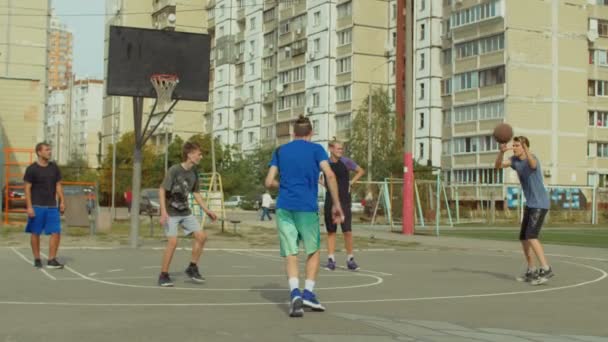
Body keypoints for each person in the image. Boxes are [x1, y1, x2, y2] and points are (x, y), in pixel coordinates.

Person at [265, 115, 344, 318]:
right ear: (310, 133)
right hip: (306, 208)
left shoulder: (281, 150)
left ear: (293, 133)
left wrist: (283, 186)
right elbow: (331, 175)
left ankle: (294, 294)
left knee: (290, 251)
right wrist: (336, 204)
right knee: (313, 250)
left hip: (284, 207)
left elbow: (268, 181)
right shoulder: (317, 150)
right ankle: (308, 292)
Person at [495, 136, 553, 285]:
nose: (513, 147)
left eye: (517, 145)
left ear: (524, 147)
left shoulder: (531, 158)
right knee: (523, 238)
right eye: (513, 145)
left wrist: (526, 149)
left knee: (532, 236)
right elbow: (498, 166)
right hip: (530, 204)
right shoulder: (514, 161)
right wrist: (501, 152)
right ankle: (531, 270)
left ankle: (546, 268)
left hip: (540, 204)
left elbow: (533, 165)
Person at [158, 141, 218, 287]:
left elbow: (196, 193)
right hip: (171, 212)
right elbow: (161, 190)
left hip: (185, 212)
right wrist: (163, 212)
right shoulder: (174, 170)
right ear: (190, 155)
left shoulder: (194, 173)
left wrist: (207, 210)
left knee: (202, 236)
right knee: (173, 242)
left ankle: (192, 267)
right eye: (199, 154)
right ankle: (163, 275)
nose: (201, 156)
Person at [320, 138, 365, 271]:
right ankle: (331, 260)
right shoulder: (324, 163)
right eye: (338, 148)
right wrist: (323, 183)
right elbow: (315, 175)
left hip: (344, 201)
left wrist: (351, 182)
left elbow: (361, 171)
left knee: (347, 231)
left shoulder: (346, 162)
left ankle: (350, 259)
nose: (341, 150)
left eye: (342, 148)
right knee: (331, 231)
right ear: (331, 149)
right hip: (330, 200)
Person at [24, 142, 65, 269]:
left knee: (56, 232)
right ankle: (37, 258)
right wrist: (29, 207)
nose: (49, 151)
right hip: (37, 206)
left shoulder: (54, 168)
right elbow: (27, 189)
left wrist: (62, 201)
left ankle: (51, 259)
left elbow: (58, 185)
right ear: (39, 152)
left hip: (52, 206)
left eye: (50, 149)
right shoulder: (32, 169)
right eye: (47, 150)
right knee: (36, 233)